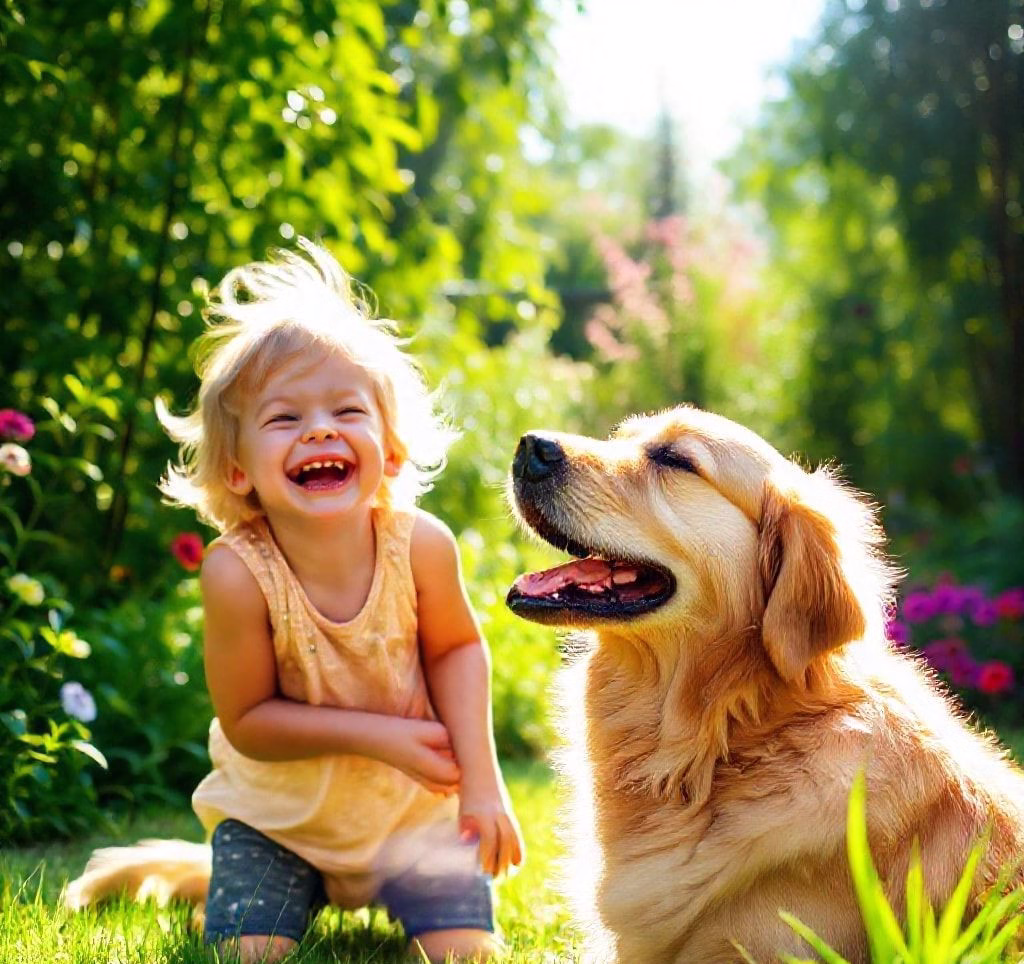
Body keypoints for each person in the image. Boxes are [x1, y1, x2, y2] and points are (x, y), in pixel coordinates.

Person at [157, 239, 523, 963]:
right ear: (237, 471)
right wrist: (378, 735)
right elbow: (250, 721)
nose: (320, 429)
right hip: (279, 823)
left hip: (413, 822)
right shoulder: (237, 573)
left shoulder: (421, 545)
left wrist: (482, 784)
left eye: (346, 410)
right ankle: (250, 884)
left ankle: (386, 893)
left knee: (468, 955)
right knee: (250, 954)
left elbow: (457, 649)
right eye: (284, 419)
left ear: (388, 449)